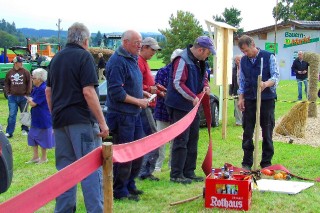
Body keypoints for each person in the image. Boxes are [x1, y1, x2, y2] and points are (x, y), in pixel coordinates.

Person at [45, 22, 109, 213]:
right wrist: (102, 122)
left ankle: (63, 210)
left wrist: (54, 113)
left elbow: (49, 92)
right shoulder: (84, 57)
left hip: (60, 121)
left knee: (65, 170)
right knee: (90, 169)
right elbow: (89, 92)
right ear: (86, 40)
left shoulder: (56, 58)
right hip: (81, 121)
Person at [105, 30, 149, 201]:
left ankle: (130, 184)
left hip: (134, 114)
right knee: (124, 153)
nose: (140, 45)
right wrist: (138, 101)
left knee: (138, 152)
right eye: (137, 42)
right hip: (122, 116)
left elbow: (131, 84)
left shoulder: (132, 59)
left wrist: (142, 92)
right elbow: (116, 92)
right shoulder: (117, 62)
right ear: (125, 42)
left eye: (141, 42)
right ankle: (119, 190)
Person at [165, 36, 215, 184]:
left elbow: (203, 77)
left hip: (193, 105)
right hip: (180, 105)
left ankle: (189, 171)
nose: (208, 55)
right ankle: (176, 174)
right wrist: (192, 96)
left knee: (193, 138)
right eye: (208, 53)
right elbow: (177, 83)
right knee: (181, 139)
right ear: (200, 49)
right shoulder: (182, 59)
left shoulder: (201, 61)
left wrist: (205, 85)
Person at [237, 35, 279, 170]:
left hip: (266, 99)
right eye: (243, 51)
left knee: (267, 130)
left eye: (246, 50)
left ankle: (266, 162)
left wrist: (265, 84)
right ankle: (247, 162)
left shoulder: (268, 56)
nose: (245, 53)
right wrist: (241, 98)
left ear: (252, 44)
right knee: (247, 131)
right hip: (249, 99)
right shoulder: (243, 61)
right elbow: (242, 81)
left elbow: (276, 76)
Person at [154, 49, 183, 172]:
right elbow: (157, 87)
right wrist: (168, 94)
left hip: (177, 110)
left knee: (175, 139)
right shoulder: (163, 71)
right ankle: (157, 165)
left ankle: (172, 164)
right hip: (162, 109)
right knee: (160, 139)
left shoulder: (182, 72)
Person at [137, 37, 162, 181]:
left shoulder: (144, 62)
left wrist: (156, 88)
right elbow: (137, 86)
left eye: (155, 50)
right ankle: (145, 171)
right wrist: (150, 89)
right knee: (153, 136)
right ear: (144, 47)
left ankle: (144, 170)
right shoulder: (139, 63)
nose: (154, 52)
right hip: (144, 104)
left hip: (149, 103)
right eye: (152, 49)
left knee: (148, 137)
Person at [25, 68, 54, 164]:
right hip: (36, 117)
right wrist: (30, 99)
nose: (32, 79)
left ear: (40, 79)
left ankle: (44, 158)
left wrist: (29, 99)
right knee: (32, 136)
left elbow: (33, 103)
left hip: (43, 117)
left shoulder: (43, 89)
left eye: (33, 78)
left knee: (43, 137)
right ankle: (35, 157)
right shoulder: (36, 88)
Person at [4, 56, 32, 138]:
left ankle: (25, 129)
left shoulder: (26, 72)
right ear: (15, 63)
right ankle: (9, 132)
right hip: (12, 97)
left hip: (23, 97)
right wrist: (8, 93)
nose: (21, 63)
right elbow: (6, 83)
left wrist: (27, 93)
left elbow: (29, 83)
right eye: (20, 62)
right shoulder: (9, 73)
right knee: (12, 114)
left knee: (24, 114)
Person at [229, 55, 243, 126]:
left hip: (244, 91)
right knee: (237, 106)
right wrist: (230, 91)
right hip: (236, 90)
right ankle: (238, 121)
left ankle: (245, 119)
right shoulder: (233, 70)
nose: (238, 61)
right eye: (237, 60)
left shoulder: (245, 68)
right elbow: (231, 81)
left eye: (240, 60)